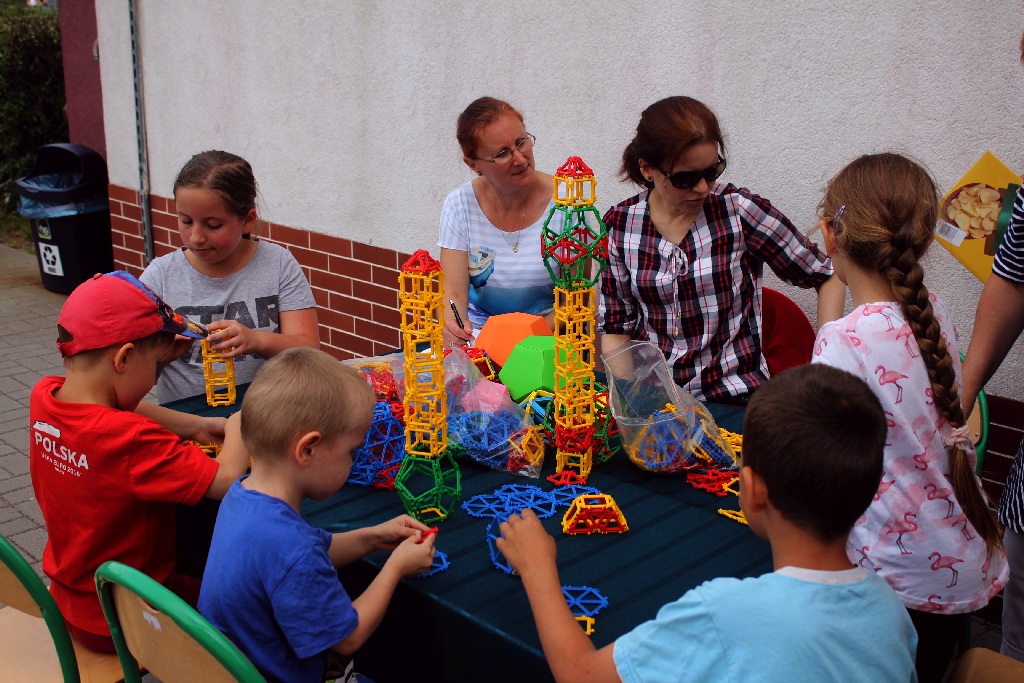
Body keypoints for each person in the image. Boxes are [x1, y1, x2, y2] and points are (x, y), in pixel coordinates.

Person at [497, 363, 916, 683]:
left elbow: (580, 675)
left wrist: (537, 568)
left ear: (751, 490)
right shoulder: (892, 610)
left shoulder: (726, 613)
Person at [812, 152, 1008, 682]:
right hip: (945, 556)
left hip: (888, 576)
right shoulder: (932, 310)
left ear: (832, 235)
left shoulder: (842, 340)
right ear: (921, 239)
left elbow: (822, 457)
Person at [28, 272, 249, 652]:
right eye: (152, 368)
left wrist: (197, 426)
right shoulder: (130, 440)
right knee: (246, 604)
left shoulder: (46, 397)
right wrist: (244, 419)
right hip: (130, 617)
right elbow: (225, 479)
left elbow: (121, 408)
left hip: (72, 599)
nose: (152, 380)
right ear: (124, 357)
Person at [199, 347, 436, 683]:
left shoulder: (242, 496)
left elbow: (310, 551)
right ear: (307, 449)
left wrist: (373, 538)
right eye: (350, 451)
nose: (353, 463)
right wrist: (396, 568)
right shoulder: (292, 548)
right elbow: (348, 638)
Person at [599, 96, 844, 404]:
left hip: (735, 397)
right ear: (648, 170)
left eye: (712, 171)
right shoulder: (621, 226)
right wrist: (629, 401)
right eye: (685, 178)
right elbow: (616, 327)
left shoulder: (739, 212)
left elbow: (826, 274)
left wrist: (826, 362)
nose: (703, 187)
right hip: (660, 403)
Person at [141, 150, 319, 404]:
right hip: (186, 423)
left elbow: (309, 351)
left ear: (247, 220)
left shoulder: (278, 264)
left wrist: (256, 339)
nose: (196, 237)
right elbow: (127, 375)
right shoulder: (159, 277)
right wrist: (161, 355)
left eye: (213, 225)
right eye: (186, 221)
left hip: (269, 417)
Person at [439, 97, 563, 348]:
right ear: (473, 164)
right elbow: (452, 296)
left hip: (548, 340)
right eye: (502, 153)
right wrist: (453, 325)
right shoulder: (460, 205)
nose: (519, 158)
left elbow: (579, 300)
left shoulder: (567, 204)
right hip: (480, 338)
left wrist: (518, 341)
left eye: (521, 142)